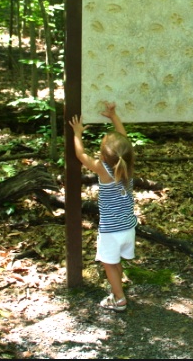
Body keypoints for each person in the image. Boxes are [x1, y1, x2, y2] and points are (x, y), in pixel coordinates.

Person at [69, 102, 137, 312]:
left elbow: (81, 156)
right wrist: (114, 117)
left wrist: (77, 133)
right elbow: (124, 140)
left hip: (111, 230)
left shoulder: (103, 170)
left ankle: (118, 299)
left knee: (108, 263)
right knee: (114, 261)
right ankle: (118, 290)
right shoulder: (128, 166)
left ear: (105, 156)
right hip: (128, 227)